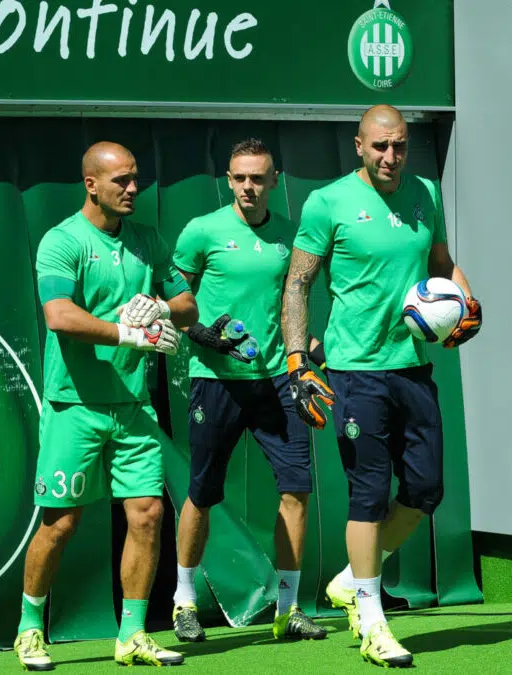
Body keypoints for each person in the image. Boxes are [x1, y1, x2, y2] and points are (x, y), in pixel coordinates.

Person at [280, 105, 482, 668]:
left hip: (413, 367)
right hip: (354, 371)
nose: (391, 157)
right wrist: (298, 360)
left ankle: (349, 581)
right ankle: (372, 621)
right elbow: (298, 284)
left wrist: (467, 303)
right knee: (367, 494)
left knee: (426, 490)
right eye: (380, 147)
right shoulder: (328, 202)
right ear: (358, 146)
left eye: (399, 146)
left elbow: (441, 263)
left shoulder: (424, 192)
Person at [14, 141, 199, 670]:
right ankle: (29, 628)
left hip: (134, 406)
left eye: (136, 178)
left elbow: (188, 307)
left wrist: (162, 306)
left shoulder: (148, 240)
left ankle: (132, 634)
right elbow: (59, 316)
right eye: (120, 180)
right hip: (75, 405)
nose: (133, 188)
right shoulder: (62, 241)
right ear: (91, 184)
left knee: (148, 515)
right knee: (61, 523)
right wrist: (128, 334)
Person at [168, 138, 328, 643]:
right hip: (214, 381)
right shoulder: (202, 232)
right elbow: (170, 298)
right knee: (202, 493)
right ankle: (184, 600)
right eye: (239, 178)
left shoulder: (290, 237)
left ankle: (287, 608)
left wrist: (307, 353)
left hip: (278, 382)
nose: (248, 187)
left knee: (296, 491)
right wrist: (202, 336)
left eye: (258, 178)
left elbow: (293, 303)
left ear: (274, 180)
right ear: (228, 179)